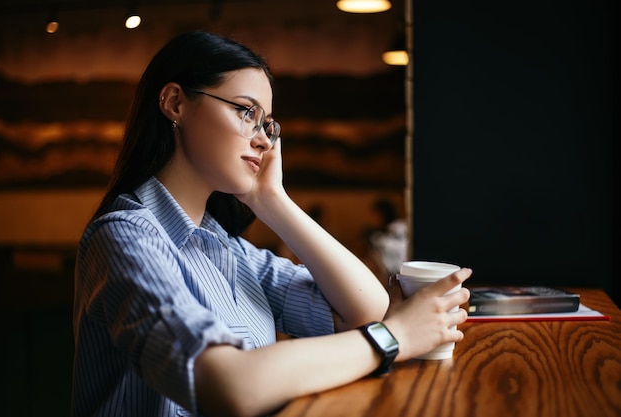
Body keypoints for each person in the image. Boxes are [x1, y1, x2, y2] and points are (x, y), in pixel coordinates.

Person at [71, 31, 471, 417]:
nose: (263, 140)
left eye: (267, 124)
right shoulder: (124, 237)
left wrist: (273, 201)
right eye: (247, 112)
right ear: (175, 103)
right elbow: (231, 387)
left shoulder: (225, 247)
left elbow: (368, 310)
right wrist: (394, 338)